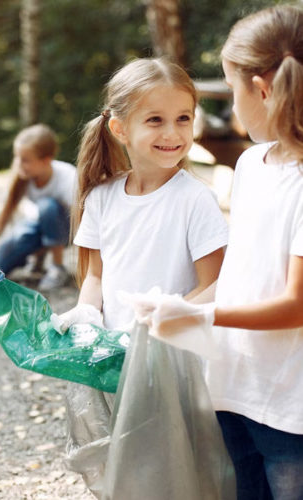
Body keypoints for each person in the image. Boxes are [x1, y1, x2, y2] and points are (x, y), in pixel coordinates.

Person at [129, 5, 303, 499]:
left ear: (262, 90)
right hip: (233, 391)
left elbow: (297, 306)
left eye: (231, 90)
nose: (229, 103)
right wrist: (185, 306)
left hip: (290, 408)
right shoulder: (250, 165)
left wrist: (204, 320)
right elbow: (244, 274)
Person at [51, 57, 229, 497]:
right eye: (156, 120)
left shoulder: (195, 201)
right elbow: (94, 275)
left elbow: (215, 284)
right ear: (120, 128)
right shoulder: (102, 197)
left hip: (175, 364)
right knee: (130, 464)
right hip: (116, 360)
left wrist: (167, 321)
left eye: (183, 119)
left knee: (178, 467)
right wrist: (86, 315)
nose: (173, 133)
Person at [0, 123, 76, 291]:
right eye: (16, 157)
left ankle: (57, 267)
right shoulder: (23, 178)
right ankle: (37, 259)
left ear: (46, 160)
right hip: (40, 226)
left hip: (68, 230)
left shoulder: (68, 177)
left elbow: (84, 219)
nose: (18, 164)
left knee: (47, 206)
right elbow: (6, 213)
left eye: (25, 160)